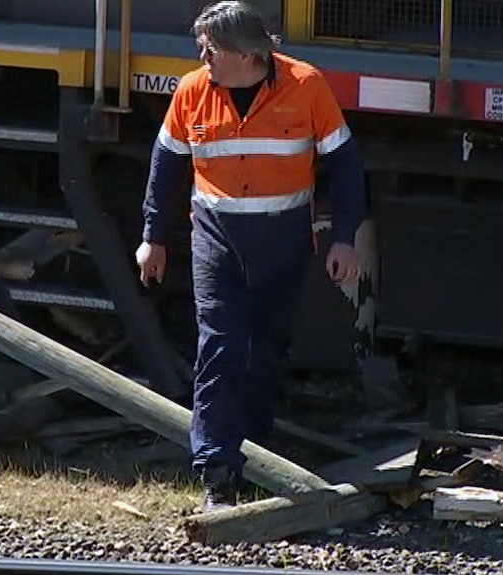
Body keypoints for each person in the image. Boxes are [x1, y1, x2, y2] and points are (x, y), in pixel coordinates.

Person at [135, 1, 366, 509]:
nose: (201, 56)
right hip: (216, 240)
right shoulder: (193, 91)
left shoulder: (307, 87)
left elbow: (345, 166)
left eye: (210, 48)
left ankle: (254, 453)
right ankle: (216, 471)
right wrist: (153, 235)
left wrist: (345, 237)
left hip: (283, 243)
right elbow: (166, 164)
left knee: (264, 349)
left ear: (244, 53)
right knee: (220, 344)